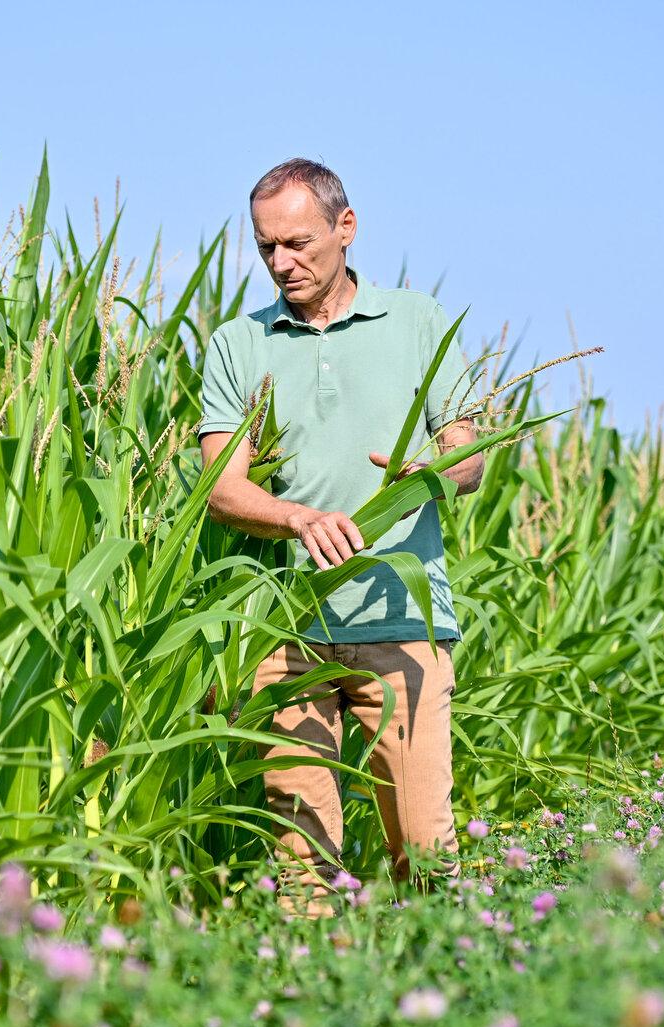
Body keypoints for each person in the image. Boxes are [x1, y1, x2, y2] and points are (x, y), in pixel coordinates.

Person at [196, 158, 484, 914]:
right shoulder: (239, 344)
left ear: (345, 228)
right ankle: (306, 1019)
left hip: (402, 627)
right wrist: (299, 518)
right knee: (300, 872)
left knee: (425, 856)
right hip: (285, 634)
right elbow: (221, 487)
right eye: (266, 249)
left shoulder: (418, 322)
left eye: (298, 244)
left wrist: (430, 471)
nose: (282, 264)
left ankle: (438, 1015)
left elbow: (471, 456)